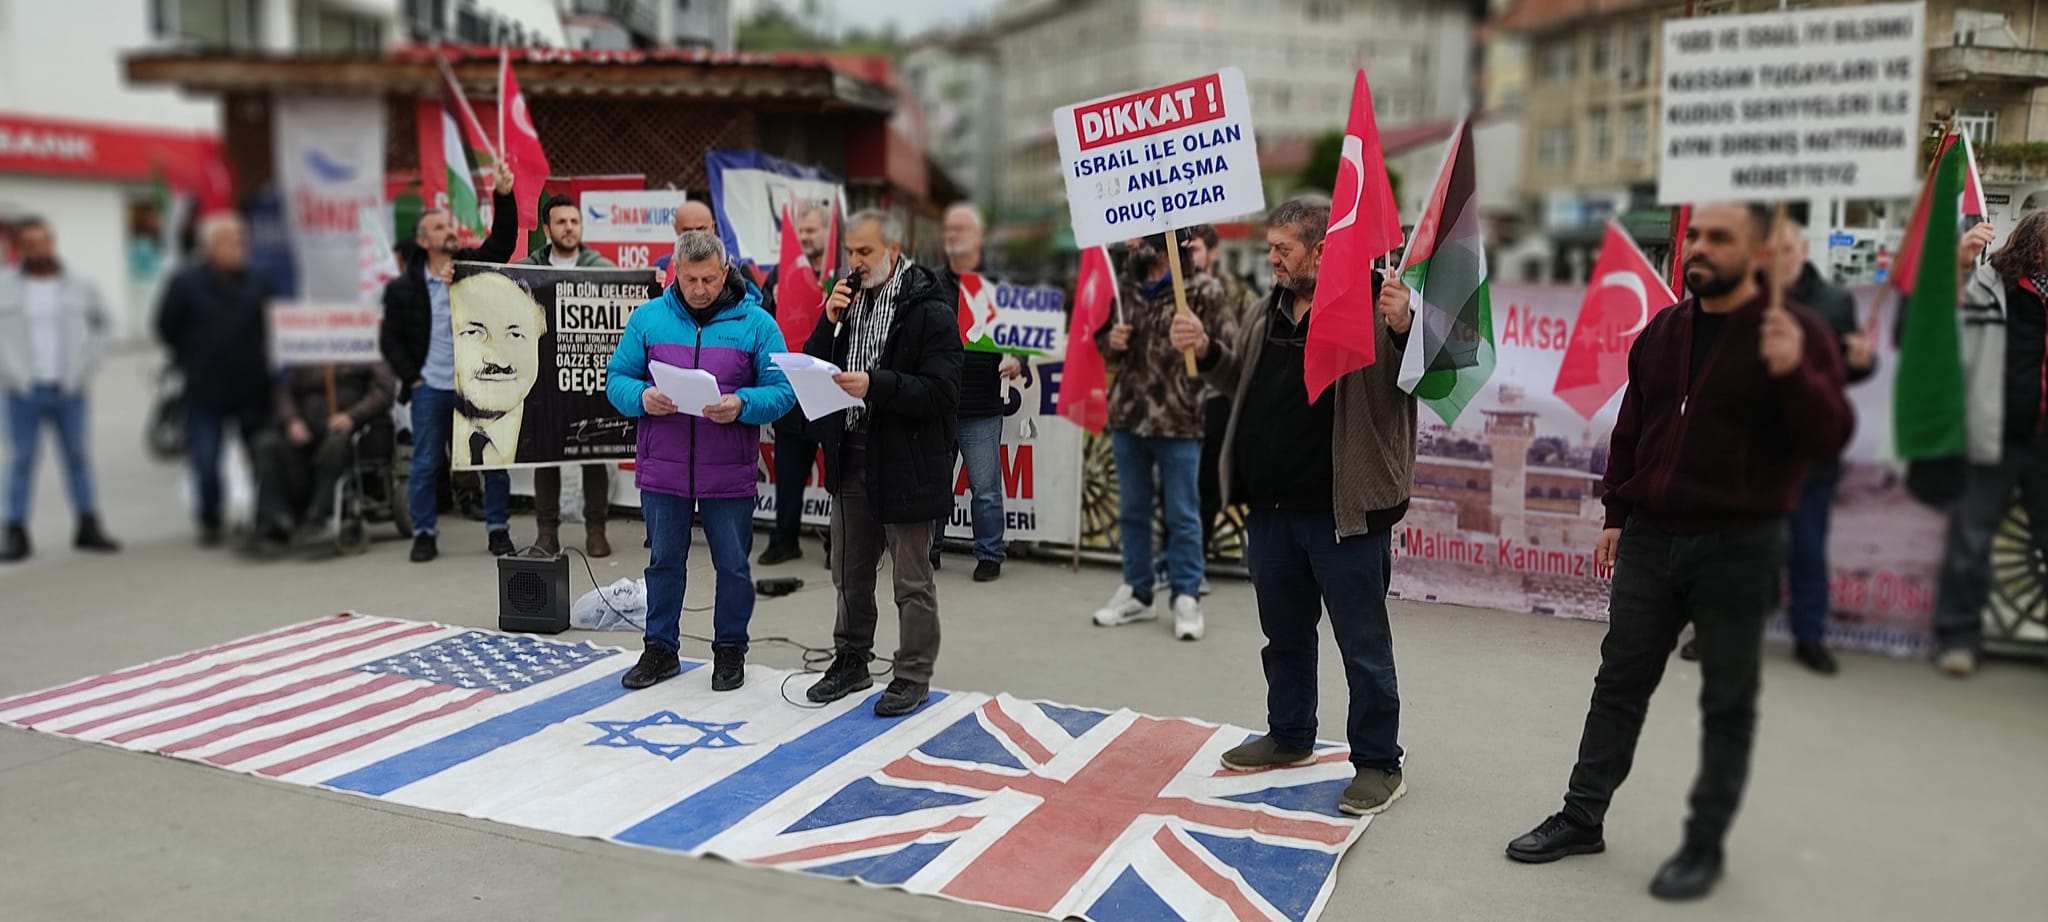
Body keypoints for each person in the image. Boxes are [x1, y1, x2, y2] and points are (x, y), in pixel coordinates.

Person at [1505, 202, 1854, 902]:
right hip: (1651, 540)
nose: (1698, 247)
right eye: (1694, 235)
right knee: (1619, 683)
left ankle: (1702, 846)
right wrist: (1616, 513)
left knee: (1727, 701)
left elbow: (1829, 436)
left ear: (1757, 254)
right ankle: (1581, 817)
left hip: (1740, 545)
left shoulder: (1794, 333)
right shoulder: (1663, 331)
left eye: (1718, 238)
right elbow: (1634, 428)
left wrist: (1794, 373)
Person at [1170, 197, 1416, 816]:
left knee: (1362, 644)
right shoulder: (1269, 307)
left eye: (1284, 250)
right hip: (1274, 509)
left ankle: (1381, 764)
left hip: (1345, 512)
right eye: (1270, 249)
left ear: (1323, 249)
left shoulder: (1375, 301)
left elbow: (1425, 376)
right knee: (1283, 635)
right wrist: (1209, 350)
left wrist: (1405, 325)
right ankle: (1289, 735)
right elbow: (1242, 382)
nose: (1272, 260)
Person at [607, 230, 796, 692]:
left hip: (727, 468)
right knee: (663, 562)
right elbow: (616, 379)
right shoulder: (648, 319)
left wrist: (742, 404)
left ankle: (730, 651)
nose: (698, 288)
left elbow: (784, 391)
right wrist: (642, 396)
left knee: (732, 565)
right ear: (675, 271)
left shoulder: (757, 323)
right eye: (689, 278)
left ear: (725, 271)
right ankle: (660, 650)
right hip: (664, 466)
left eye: (708, 279)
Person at [799, 209, 962, 718]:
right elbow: (812, 360)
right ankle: (851, 658)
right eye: (850, 252)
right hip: (851, 455)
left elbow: (942, 392)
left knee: (911, 579)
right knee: (849, 570)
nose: (855, 263)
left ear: (893, 250)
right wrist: (827, 323)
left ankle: (912, 672)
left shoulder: (930, 309)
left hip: (907, 460)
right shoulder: (847, 303)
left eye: (865, 252)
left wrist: (877, 385)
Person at [1091, 231, 1239, 641]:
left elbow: (1230, 351)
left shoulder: (1202, 290)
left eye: (1139, 244)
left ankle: (1186, 595)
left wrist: (1202, 341)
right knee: (1132, 512)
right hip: (1128, 417)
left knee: (1183, 514)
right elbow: (1103, 340)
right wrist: (1111, 343)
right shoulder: (1123, 287)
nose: (1131, 249)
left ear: (1162, 246)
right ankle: (1138, 592)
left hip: (1179, 420)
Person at [380, 169, 520, 563]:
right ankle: (424, 532)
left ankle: (497, 529)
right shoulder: (403, 289)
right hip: (432, 387)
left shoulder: (469, 266)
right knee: (426, 462)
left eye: (449, 223)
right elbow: (390, 339)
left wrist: (503, 195)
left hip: (477, 385)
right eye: (440, 226)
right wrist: (414, 377)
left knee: (491, 458)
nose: (449, 229)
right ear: (424, 242)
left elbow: (504, 242)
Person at [1767, 219, 1876, 674]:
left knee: (1808, 550)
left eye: (1786, 248)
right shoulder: (1749, 300)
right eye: (1769, 251)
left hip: (1812, 452)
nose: (1778, 258)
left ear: (1802, 249)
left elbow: (1843, 375)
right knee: (1741, 550)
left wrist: (1862, 363)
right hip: (1754, 450)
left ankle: (1809, 637)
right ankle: (1717, 631)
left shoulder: (1833, 301)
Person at [1931, 217, 2033, 678]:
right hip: (1995, 435)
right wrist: (1956, 262)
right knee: (1970, 541)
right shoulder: (1992, 286)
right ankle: (1957, 637)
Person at [0, 217, 119, 561]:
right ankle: (15, 531)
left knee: (78, 458)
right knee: (21, 461)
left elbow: (102, 327)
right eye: (31, 243)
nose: (40, 249)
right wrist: (9, 374)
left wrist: (83, 369)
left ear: (53, 242)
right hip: (23, 391)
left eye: (45, 241)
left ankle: (87, 525)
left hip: (69, 390)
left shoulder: (80, 286)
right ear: (20, 247)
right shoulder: (5, 287)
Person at [157, 212, 274, 547]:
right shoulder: (185, 282)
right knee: (205, 460)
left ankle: (262, 516)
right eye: (231, 241)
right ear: (209, 247)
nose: (239, 246)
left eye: (241, 240)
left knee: (260, 455)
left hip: (252, 386)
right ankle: (210, 519)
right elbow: (166, 327)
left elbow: (273, 323)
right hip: (204, 387)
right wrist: (193, 355)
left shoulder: (259, 279)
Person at [520, 194, 619, 557]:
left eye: (574, 222)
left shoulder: (602, 266)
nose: (569, 228)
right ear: (547, 229)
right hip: (544, 378)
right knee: (547, 455)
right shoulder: (527, 267)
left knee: (592, 449)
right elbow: (493, 286)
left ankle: (596, 530)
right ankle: (547, 533)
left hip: (585, 374)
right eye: (561, 222)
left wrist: (650, 281)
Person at [932, 202, 1022, 582]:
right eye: (949, 230)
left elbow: (1021, 338)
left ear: (979, 237)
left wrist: (1018, 359)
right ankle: (928, 551)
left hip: (982, 404)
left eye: (961, 230)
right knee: (933, 484)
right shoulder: (930, 283)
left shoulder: (1000, 285)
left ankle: (989, 554)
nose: (953, 236)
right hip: (936, 403)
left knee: (985, 490)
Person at [250, 361, 396, 552]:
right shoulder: (305, 350)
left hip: (348, 425)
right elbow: (283, 390)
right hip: (304, 424)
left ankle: (319, 514)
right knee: (266, 443)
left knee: (336, 444)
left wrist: (352, 416)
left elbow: (384, 390)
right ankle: (274, 519)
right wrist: (291, 419)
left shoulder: (365, 345)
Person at [758, 201, 833, 567]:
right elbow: (765, 320)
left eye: (811, 230)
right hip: (792, 386)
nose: (804, 237)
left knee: (839, 473)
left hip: (834, 386)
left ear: (828, 232)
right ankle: (784, 538)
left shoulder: (843, 272)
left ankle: (841, 544)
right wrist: (771, 303)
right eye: (799, 231)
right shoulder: (781, 273)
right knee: (788, 471)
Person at [1188, 222, 1259, 585]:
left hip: (1216, 401)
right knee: (1175, 487)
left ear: (1213, 253)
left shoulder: (1237, 295)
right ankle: (1179, 560)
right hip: (1176, 402)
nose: (1189, 257)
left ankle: (1195, 563)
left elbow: (1245, 352)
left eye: (1195, 249)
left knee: (1206, 487)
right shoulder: (1170, 290)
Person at [653, 200, 718, 286]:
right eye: (688, 230)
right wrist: (657, 287)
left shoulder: (730, 265)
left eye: (700, 229)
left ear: (712, 227)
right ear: (676, 228)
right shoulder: (662, 266)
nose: (695, 236)